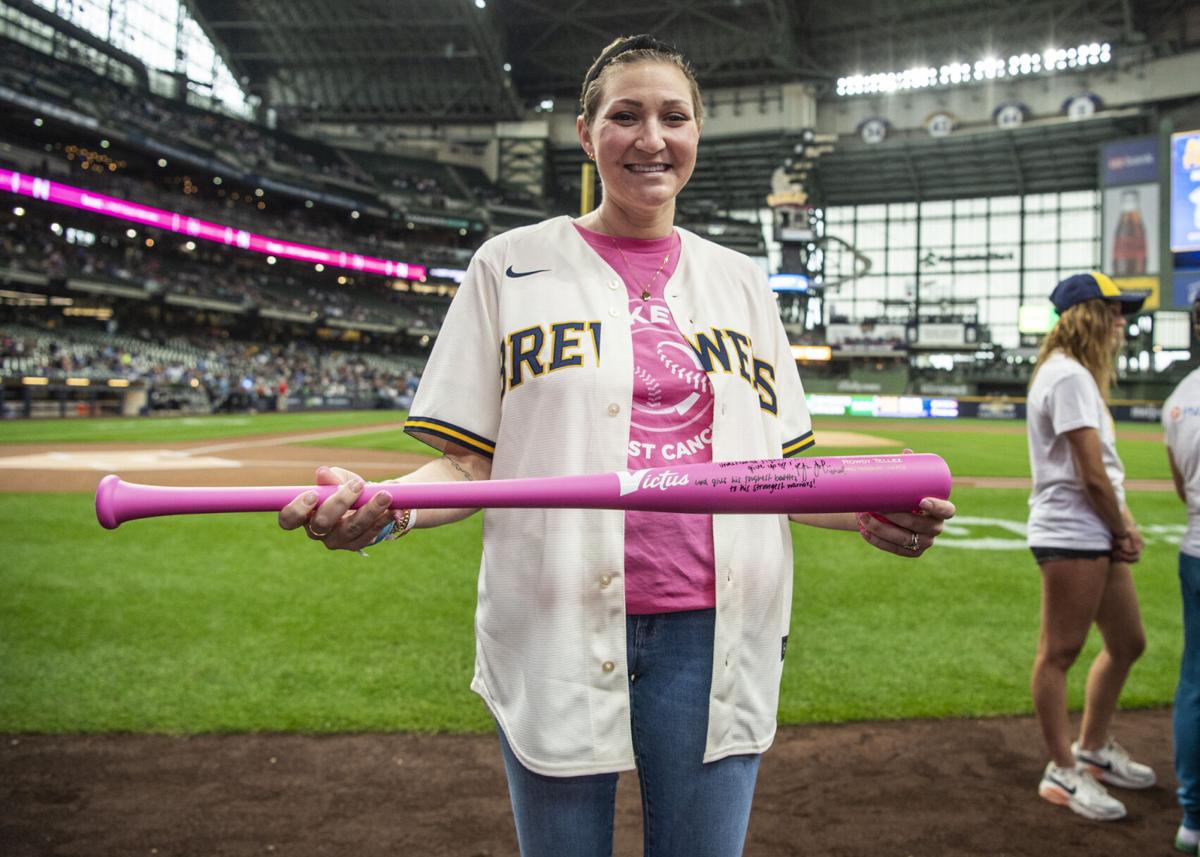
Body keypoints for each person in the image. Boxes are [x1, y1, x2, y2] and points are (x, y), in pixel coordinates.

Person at [278, 34, 956, 857]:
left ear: (698, 133)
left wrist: (869, 515)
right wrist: (386, 512)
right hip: (556, 616)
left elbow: (775, 477)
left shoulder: (744, 283)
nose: (651, 138)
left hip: (713, 634)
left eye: (674, 116)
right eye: (624, 116)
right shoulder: (509, 266)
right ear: (586, 132)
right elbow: (466, 466)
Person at [1026, 271, 1155, 822]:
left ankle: (1094, 749)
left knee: (1128, 642)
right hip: (1072, 531)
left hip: (1090, 530)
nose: (1123, 323)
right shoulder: (1069, 377)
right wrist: (1122, 527)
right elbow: (1092, 475)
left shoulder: (1072, 374)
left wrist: (1119, 525)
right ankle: (1062, 768)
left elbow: (1102, 476)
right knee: (1059, 653)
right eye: (1116, 311)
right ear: (1090, 316)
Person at [1163, 292, 1200, 854]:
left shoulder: (1180, 397)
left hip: (1196, 548)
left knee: (1195, 681)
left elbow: (1180, 488)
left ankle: (1193, 817)